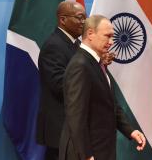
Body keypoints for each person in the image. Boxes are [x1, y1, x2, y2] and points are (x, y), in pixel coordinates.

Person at [59, 15, 146, 160]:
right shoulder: (80, 66)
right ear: (90, 34)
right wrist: (86, 155)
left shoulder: (96, 62)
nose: (111, 42)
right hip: (86, 152)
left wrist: (130, 131)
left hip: (101, 150)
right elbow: (76, 116)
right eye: (108, 36)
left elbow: (109, 103)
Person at [36, 1, 86, 160]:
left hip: (74, 129)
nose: (84, 22)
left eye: (85, 18)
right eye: (79, 18)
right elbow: (59, 85)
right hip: (60, 129)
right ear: (62, 20)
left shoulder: (76, 44)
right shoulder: (53, 46)